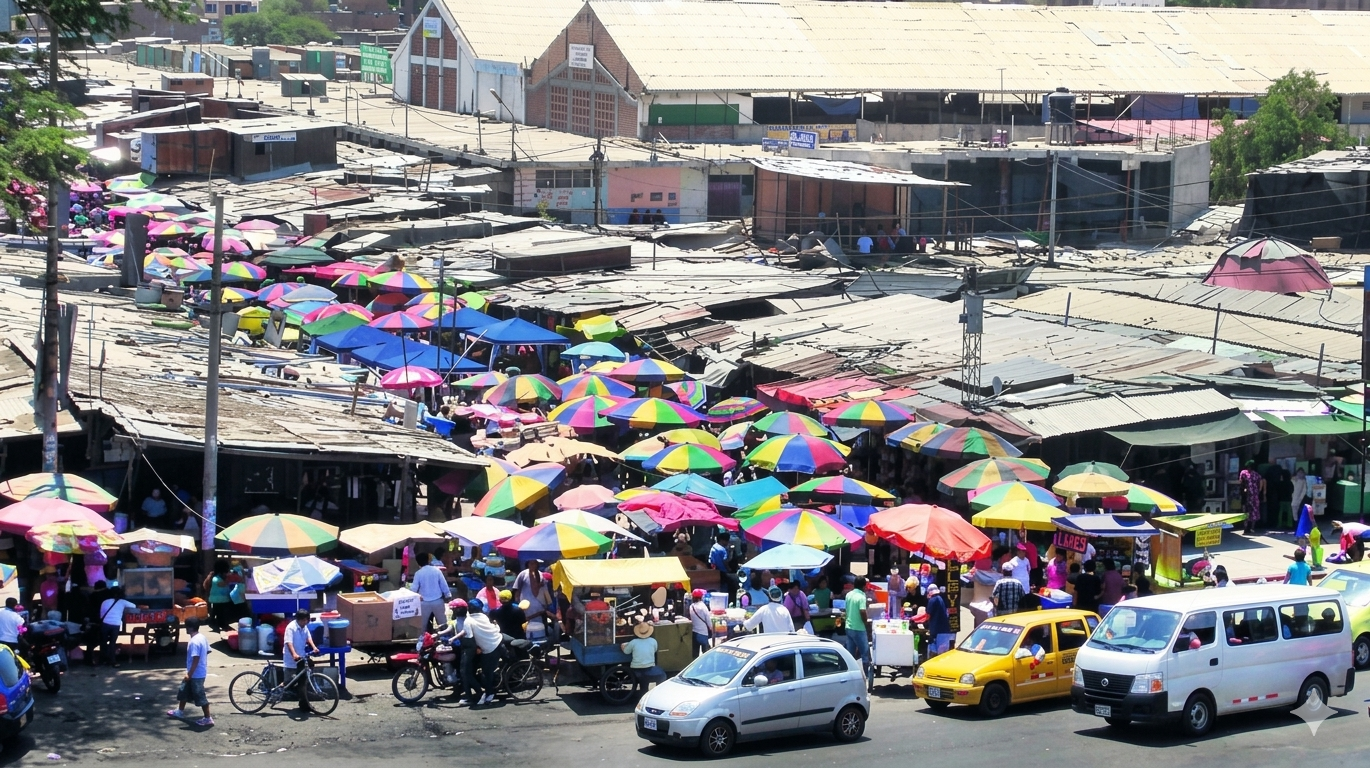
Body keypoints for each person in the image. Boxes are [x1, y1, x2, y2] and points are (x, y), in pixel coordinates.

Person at [166, 617, 213, 727]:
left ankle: (208, 718)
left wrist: (189, 674)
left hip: (196, 674)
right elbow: (208, 651)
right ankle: (180, 711)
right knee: (183, 690)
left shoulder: (194, 642)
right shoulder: (202, 637)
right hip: (199, 671)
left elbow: (195, 659)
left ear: (189, 628)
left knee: (200, 696)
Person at [458, 599, 503, 706]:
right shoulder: (484, 616)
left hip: (490, 648)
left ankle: (490, 694)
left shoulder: (468, 621)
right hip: (497, 640)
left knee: (486, 674)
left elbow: (469, 637)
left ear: (469, 609)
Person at [282, 609, 319, 712]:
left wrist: (314, 647)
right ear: (301, 619)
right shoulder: (291, 628)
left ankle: (303, 704)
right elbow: (288, 643)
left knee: (303, 682)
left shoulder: (304, 627)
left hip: (301, 658)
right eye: (306, 620)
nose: (307, 622)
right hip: (291, 659)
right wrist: (294, 654)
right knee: (288, 683)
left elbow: (309, 637)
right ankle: (279, 689)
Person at [411, 552, 451, 631]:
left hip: (424, 603)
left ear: (417, 562)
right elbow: (443, 584)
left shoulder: (418, 573)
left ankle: (423, 641)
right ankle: (446, 639)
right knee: (443, 624)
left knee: (422, 626)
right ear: (428, 560)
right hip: (438, 601)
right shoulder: (436, 570)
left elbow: (414, 589)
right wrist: (448, 595)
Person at [511, 560, 552, 639]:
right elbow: (517, 590)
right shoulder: (523, 574)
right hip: (526, 609)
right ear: (528, 564)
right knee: (526, 630)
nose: (533, 565)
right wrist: (518, 604)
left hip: (539, 610)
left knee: (541, 630)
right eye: (531, 563)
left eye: (535, 563)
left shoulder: (541, 575)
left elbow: (545, 592)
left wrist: (546, 606)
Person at [620, 621, 666, 689]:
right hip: (650, 668)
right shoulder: (653, 641)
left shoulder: (633, 642)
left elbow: (626, 652)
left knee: (643, 683)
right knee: (662, 675)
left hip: (636, 669)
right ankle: (657, 690)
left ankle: (643, 692)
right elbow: (655, 650)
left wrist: (622, 646)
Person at [99, 588, 136, 668]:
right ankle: (113, 661)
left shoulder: (104, 601)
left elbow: (101, 614)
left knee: (103, 643)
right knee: (112, 643)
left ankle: (103, 660)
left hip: (105, 624)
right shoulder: (122, 602)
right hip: (115, 624)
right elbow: (134, 606)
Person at [924, 584, 954, 656]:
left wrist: (924, 622)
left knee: (934, 651)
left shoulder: (932, 600)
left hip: (937, 630)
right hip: (945, 629)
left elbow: (928, 615)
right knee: (943, 652)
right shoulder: (940, 598)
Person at [203, 562, 233, 633]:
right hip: (218, 600)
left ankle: (215, 622)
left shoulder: (218, 576)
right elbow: (221, 584)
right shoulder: (216, 578)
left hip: (222, 599)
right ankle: (218, 624)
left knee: (218, 612)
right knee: (219, 613)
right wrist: (230, 578)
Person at [709, 534, 737, 605]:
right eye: (727, 541)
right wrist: (729, 569)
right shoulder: (722, 550)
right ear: (723, 540)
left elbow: (710, 560)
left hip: (714, 571)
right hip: (723, 572)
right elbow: (725, 561)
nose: (728, 543)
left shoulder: (713, 547)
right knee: (726, 588)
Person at [1239, 460, 1263, 534]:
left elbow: (1241, 481)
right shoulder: (1255, 474)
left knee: (1249, 512)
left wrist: (1259, 490)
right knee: (1250, 512)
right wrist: (1258, 491)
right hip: (1251, 495)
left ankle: (1248, 528)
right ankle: (1249, 528)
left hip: (1250, 495)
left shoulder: (1246, 473)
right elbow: (1261, 483)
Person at [687, 589, 712, 658]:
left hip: (694, 633)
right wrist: (711, 627)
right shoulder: (703, 607)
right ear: (701, 597)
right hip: (703, 633)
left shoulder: (691, 607)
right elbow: (708, 620)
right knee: (706, 655)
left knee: (695, 655)